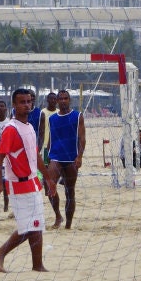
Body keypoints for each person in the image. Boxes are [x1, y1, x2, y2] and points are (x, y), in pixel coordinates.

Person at [0, 88, 50, 273]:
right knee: (30, 226)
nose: (26, 105)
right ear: (14, 105)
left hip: (32, 181)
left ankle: (37, 265)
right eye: (22, 102)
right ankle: (0, 253)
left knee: (36, 224)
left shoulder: (30, 127)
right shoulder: (11, 129)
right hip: (18, 184)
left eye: (29, 101)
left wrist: (48, 178)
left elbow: (36, 155)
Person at [44, 89, 86, 228]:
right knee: (49, 186)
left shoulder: (77, 116)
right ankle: (58, 216)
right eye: (60, 98)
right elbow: (51, 139)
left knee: (70, 191)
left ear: (69, 100)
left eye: (65, 98)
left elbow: (82, 138)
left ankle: (68, 224)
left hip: (71, 157)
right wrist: (46, 158)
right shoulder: (52, 118)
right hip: (55, 156)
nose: (63, 101)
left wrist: (79, 156)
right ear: (56, 101)